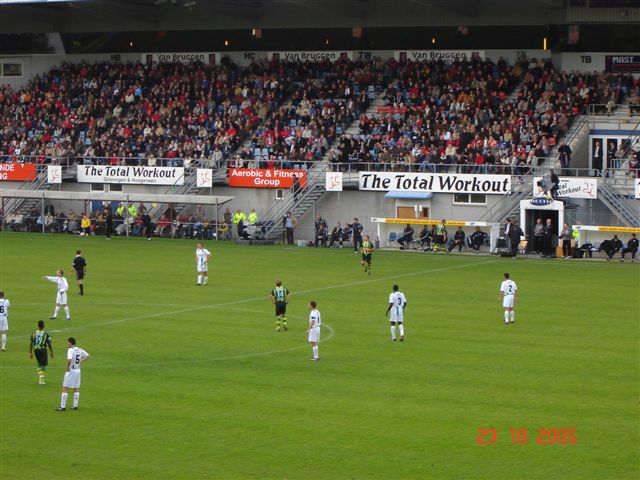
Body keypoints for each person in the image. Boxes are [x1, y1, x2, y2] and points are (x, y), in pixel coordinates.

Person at [55, 337, 90, 411]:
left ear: (70, 343)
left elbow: (69, 360)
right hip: (78, 370)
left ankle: (62, 407)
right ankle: (75, 405)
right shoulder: (79, 349)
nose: (67, 344)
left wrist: (67, 368)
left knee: (65, 387)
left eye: (68, 342)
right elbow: (87, 356)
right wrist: (80, 362)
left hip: (72, 370)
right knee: (76, 387)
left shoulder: (70, 350)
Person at [29, 320, 54, 385]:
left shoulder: (34, 333)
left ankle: (40, 376)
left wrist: (30, 352)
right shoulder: (46, 334)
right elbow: (49, 344)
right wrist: (51, 352)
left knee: (39, 363)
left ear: (38, 326)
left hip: (36, 350)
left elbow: (31, 343)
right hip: (43, 350)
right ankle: (41, 380)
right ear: (43, 326)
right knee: (43, 365)